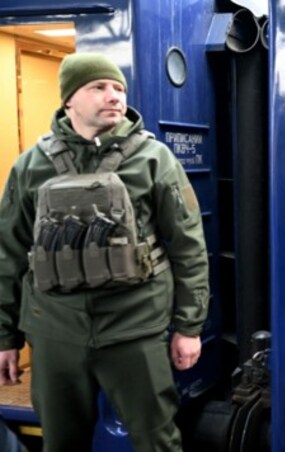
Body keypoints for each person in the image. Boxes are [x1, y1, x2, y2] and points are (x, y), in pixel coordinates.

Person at [0, 52, 209, 451]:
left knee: (157, 439)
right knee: (61, 441)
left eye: (118, 88)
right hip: (55, 330)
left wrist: (189, 326)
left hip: (135, 326)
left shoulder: (154, 159)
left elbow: (189, 246)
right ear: (69, 101)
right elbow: (7, 253)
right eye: (98, 87)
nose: (114, 96)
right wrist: (4, 337)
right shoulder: (30, 166)